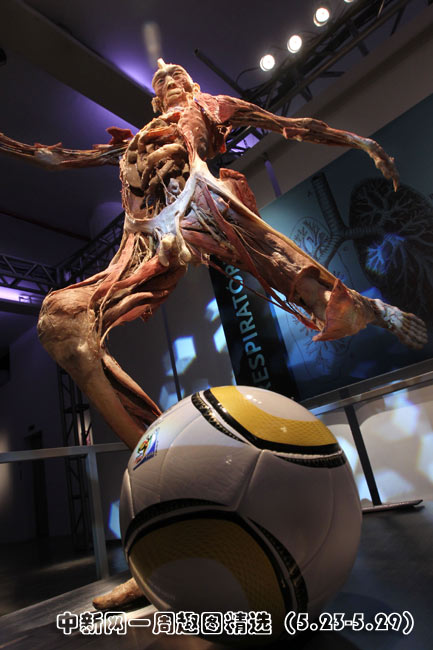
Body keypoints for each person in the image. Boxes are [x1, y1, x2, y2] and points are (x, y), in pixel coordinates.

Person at [0, 59, 427, 607]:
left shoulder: (211, 106)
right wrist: (13, 146)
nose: (167, 77)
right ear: (153, 100)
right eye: (160, 81)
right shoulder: (135, 139)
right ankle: (163, 490)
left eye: (175, 74)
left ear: (193, 83)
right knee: (62, 322)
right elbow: (65, 157)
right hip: (148, 237)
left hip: (204, 204)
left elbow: (290, 125)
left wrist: (358, 141)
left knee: (286, 269)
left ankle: (357, 305)